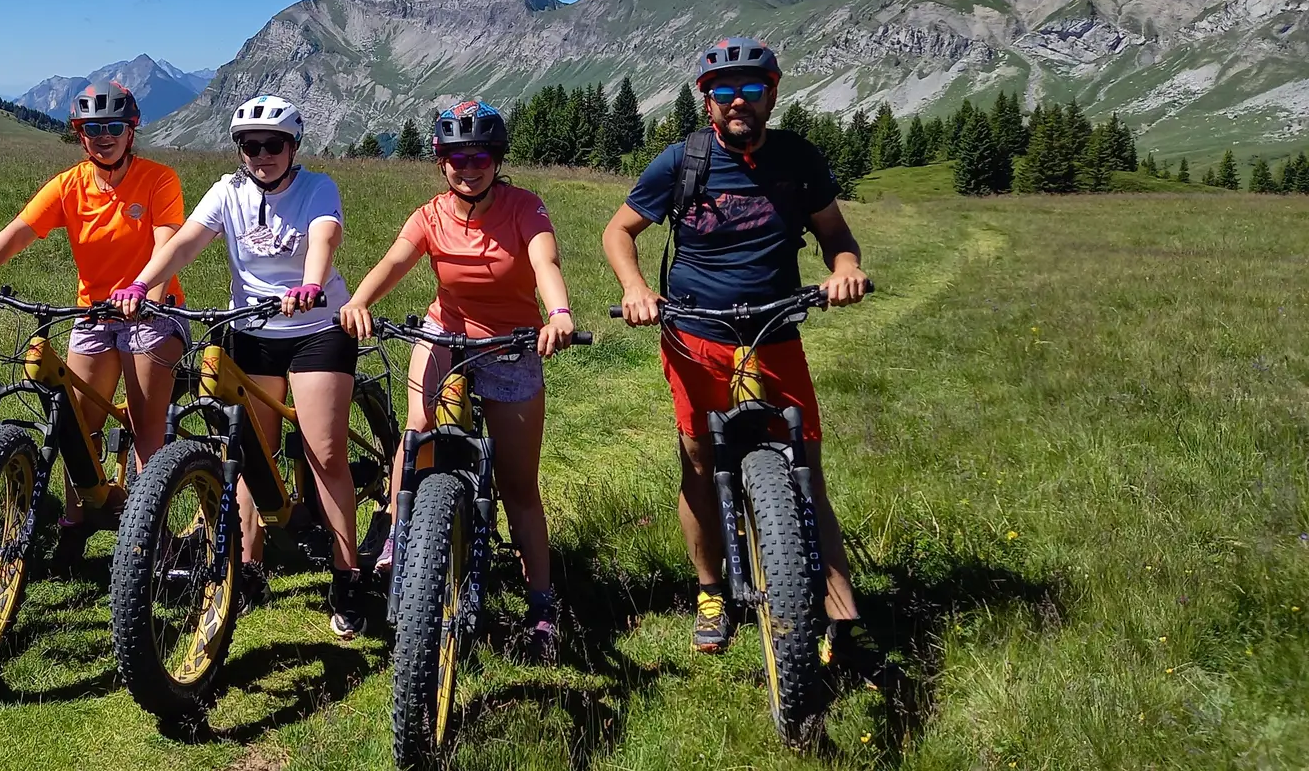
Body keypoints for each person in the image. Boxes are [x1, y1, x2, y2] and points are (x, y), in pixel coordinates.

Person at [600, 36, 873, 667]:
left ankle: (841, 614)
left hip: (775, 329)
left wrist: (847, 268)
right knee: (698, 462)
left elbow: (835, 234)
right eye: (724, 91)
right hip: (696, 334)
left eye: (753, 89)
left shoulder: (800, 159)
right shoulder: (682, 162)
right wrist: (636, 288)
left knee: (806, 469)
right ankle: (711, 591)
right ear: (707, 102)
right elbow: (619, 230)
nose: (738, 101)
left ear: (773, 95)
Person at [111, 95, 368, 637]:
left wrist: (313, 283)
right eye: (251, 146)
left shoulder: (317, 187)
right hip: (251, 332)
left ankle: (347, 577)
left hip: (315, 329)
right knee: (250, 454)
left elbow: (325, 235)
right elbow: (185, 243)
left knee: (324, 454)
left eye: (273, 145)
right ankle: (248, 568)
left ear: (292, 146)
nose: (262, 155)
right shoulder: (228, 191)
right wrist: (141, 282)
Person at [338, 100, 577, 661]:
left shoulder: (525, 208)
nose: (467, 168)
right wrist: (358, 302)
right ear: (441, 162)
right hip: (445, 331)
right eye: (454, 158)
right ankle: (402, 533)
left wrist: (559, 313)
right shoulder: (430, 214)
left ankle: (541, 604)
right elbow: (396, 261)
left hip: (511, 344)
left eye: (479, 157)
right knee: (417, 432)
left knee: (519, 485)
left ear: (496, 159)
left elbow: (546, 264)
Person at [0, 82, 187, 553]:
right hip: (94, 313)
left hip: (153, 311)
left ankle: (149, 536)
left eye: (113, 126)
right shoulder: (69, 185)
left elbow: (168, 245)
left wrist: (146, 293)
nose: (104, 136)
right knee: (78, 425)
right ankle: (77, 522)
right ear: (80, 135)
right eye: (92, 129)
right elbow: (18, 232)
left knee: (144, 427)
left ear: (131, 130)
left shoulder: (159, 179)